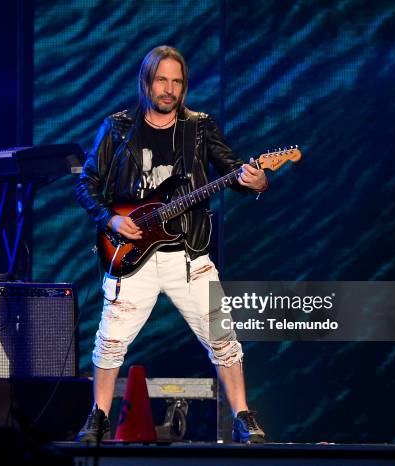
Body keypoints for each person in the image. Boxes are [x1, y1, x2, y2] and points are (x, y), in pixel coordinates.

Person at [75, 45, 268, 444]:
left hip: (189, 256)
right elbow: (86, 185)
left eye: (176, 81)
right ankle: (99, 417)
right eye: (161, 80)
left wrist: (258, 181)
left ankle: (243, 417)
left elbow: (234, 172)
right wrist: (111, 219)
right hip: (131, 256)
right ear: (147, 82)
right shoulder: (117, 127)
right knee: (110, 341)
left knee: (223, 338)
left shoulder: (200, 128)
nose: (169, 89)